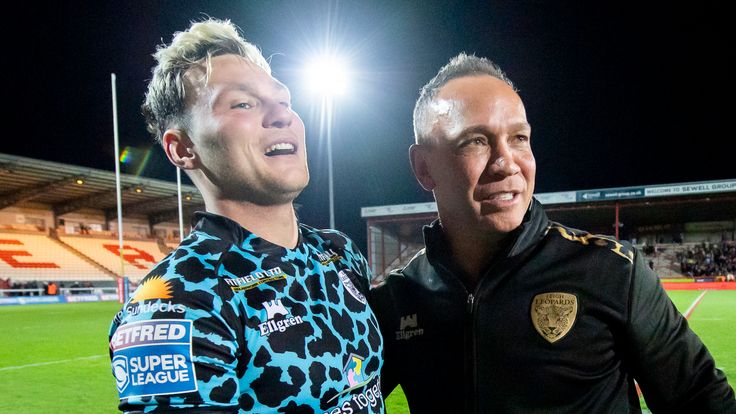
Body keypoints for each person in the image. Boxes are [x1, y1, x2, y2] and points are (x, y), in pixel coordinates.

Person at [369, 53, 735, 413]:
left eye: (519, 138)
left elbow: (701, 398)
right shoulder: (398, 299)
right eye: (475, 141)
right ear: (423, 167)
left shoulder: (612, 271)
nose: (506, 162)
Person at [108, 18, 383, 413]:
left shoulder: (338, 252)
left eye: (284, 101)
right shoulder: (177, 301)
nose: (280, 115)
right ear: (182, 148)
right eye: (243, 103)